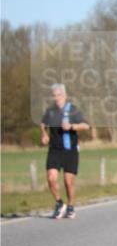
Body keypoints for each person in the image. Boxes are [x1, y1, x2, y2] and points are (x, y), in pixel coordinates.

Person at [39, 83, 89, 219]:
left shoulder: (73, 110)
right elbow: (43, 124)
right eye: (54, 96)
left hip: (70, 150)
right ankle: (59, 203)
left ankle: (71, 206)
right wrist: (44, 135)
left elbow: (86, 125)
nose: (56, 98)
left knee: (68, 182)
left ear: (65, 95)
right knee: (51, 178)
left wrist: (72, 126)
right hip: (54, 150)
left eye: (59, 95)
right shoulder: (50, 111)